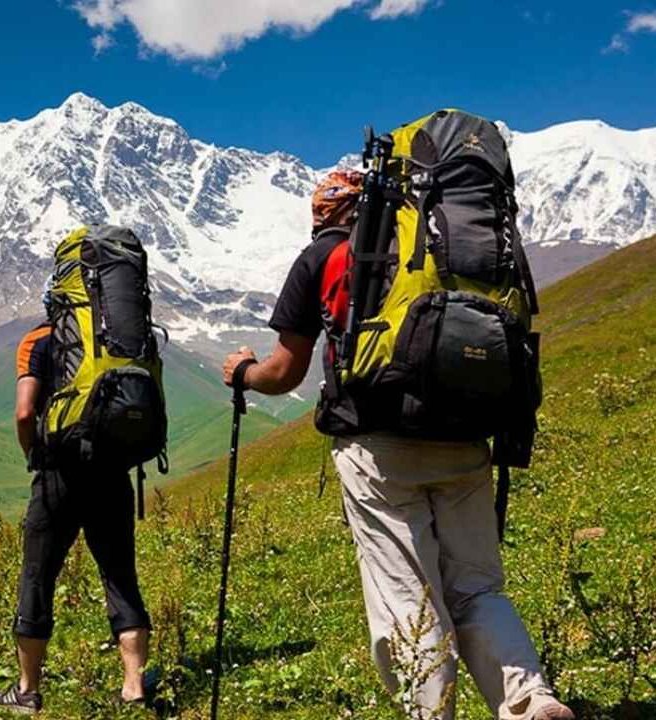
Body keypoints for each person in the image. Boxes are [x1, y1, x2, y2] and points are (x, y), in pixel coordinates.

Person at [220, 170, 576, 720]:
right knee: (478, 588)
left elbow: (284, 372)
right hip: (465, 438)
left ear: (322, 214)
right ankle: (531, 703)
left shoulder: (326, 256)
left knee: (407, 598)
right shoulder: (442, 253)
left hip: (378, 449)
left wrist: (243, 372)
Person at [0, 316, 152, 715]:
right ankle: (134, 685)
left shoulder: (39, 340)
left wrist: (34, 454)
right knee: (120, 577)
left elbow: (25, 413)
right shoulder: (118, 339)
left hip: (58, 475)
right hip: (112, 473)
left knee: (38, 578)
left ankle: (27, 691)